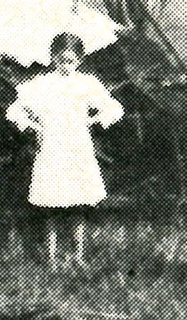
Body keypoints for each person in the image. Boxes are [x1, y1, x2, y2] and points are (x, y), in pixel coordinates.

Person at [7, 31, 125, 266]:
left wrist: (94, 120)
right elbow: (14, 111)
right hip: (51, 147)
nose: (66, 65)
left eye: (71, 61)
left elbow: (114, 108)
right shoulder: (41, 85)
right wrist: (34, 127)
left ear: (79, 61)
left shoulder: (87, 84)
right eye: (61, 60)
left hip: (77, 147)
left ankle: (77, 257)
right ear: (53, 58)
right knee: (52, 204)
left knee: (77, 204)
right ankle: (52, 259)